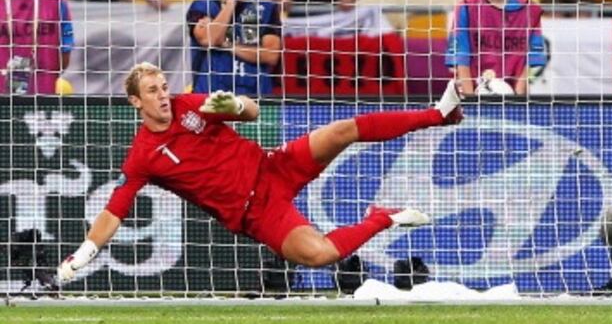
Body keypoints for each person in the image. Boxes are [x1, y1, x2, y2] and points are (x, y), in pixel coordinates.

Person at [56, 63, 464, 282]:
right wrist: (85, 253)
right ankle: (383, 217)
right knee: (319, 254)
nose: (163, 95)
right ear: (134, 102)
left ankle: (438, 114)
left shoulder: (189, 105)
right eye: (153, 91)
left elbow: (253, 111)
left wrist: (232, 105)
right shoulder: (143, 156)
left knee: (343, 130)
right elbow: (116, 208)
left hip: (273, 166)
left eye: (164, 86)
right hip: (255, 213)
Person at [187, 0, 282, 96]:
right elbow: (209, 40)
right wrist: (231, 2)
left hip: (255, 98)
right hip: (209, 97)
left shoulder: (267, 8)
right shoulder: (201, 6)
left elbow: (271, 55)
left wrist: (227, 44)